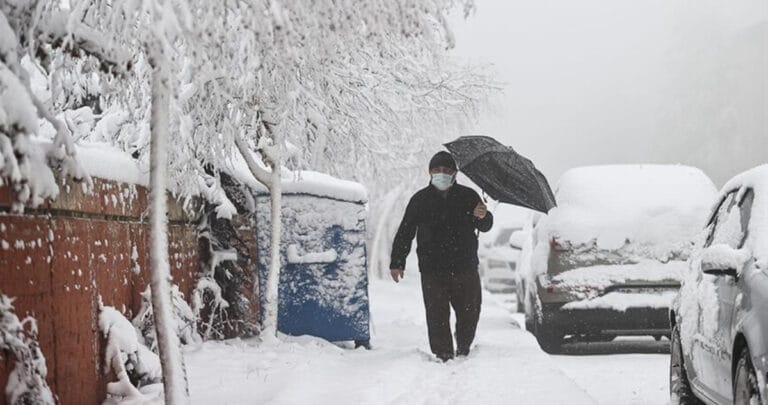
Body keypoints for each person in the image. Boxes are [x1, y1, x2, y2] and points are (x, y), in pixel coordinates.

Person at [389, 151, 493, 362]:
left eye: (446, 171)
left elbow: (485, 225)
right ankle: (443, 353)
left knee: (469, 312)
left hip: (465, 266)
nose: (441, 174)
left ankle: (464, 346)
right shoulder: (420, 200)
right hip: (432, 267)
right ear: (429, 172)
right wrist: (397, 262)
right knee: (436, 313)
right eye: (436, 170)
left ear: (454, 173)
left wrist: (484, 216)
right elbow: (405, 232)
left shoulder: (469, 196)